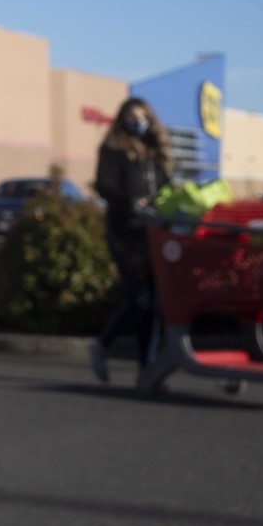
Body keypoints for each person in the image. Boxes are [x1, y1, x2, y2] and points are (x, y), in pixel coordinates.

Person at [89, 97, 173, 384]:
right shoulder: (113, 150)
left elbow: (167, 187)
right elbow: (104, 186)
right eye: (131, 116)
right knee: (140, 298)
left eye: (142, 116)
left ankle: (146, 370)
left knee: (154, 302)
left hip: (154, 232)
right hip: (125, 232)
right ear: (122, 119)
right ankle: (102, 345)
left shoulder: (155, 153)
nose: (137, 121)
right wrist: (131, 203)